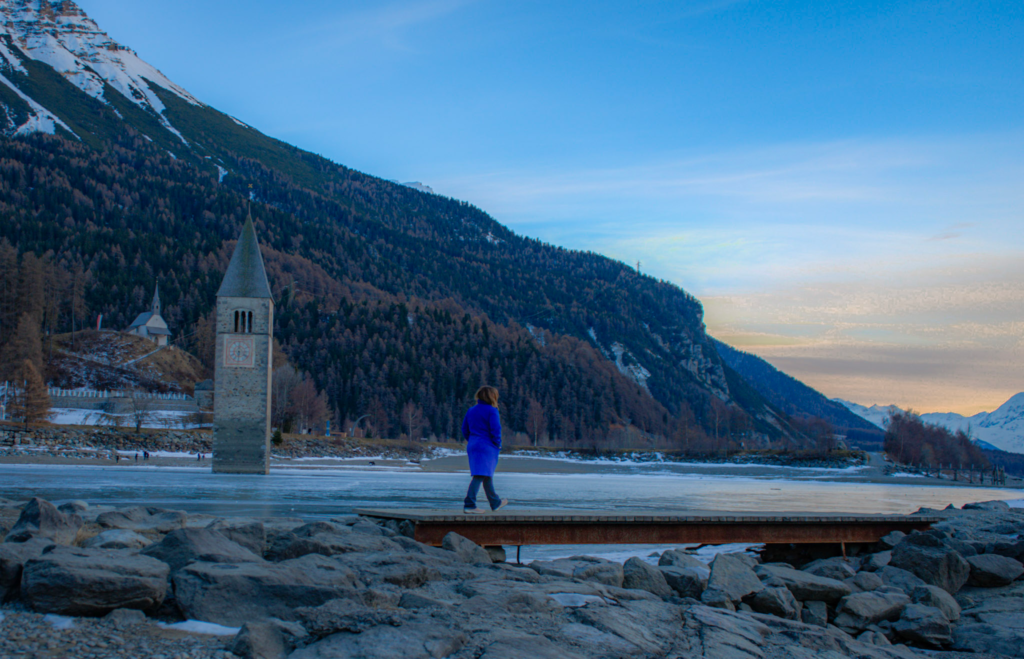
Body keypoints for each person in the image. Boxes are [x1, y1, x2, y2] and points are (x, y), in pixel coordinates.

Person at [461, 386, 509, 513]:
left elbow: (464, 429)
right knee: (479, 475)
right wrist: (497, 444)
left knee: (485, 474)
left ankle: (495, 502)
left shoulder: (471, 410)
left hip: (473, 444)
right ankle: (470, 504)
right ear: (492, 397)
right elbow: (496, 430)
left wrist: (473, 440)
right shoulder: (492, 411)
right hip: (487, 446)